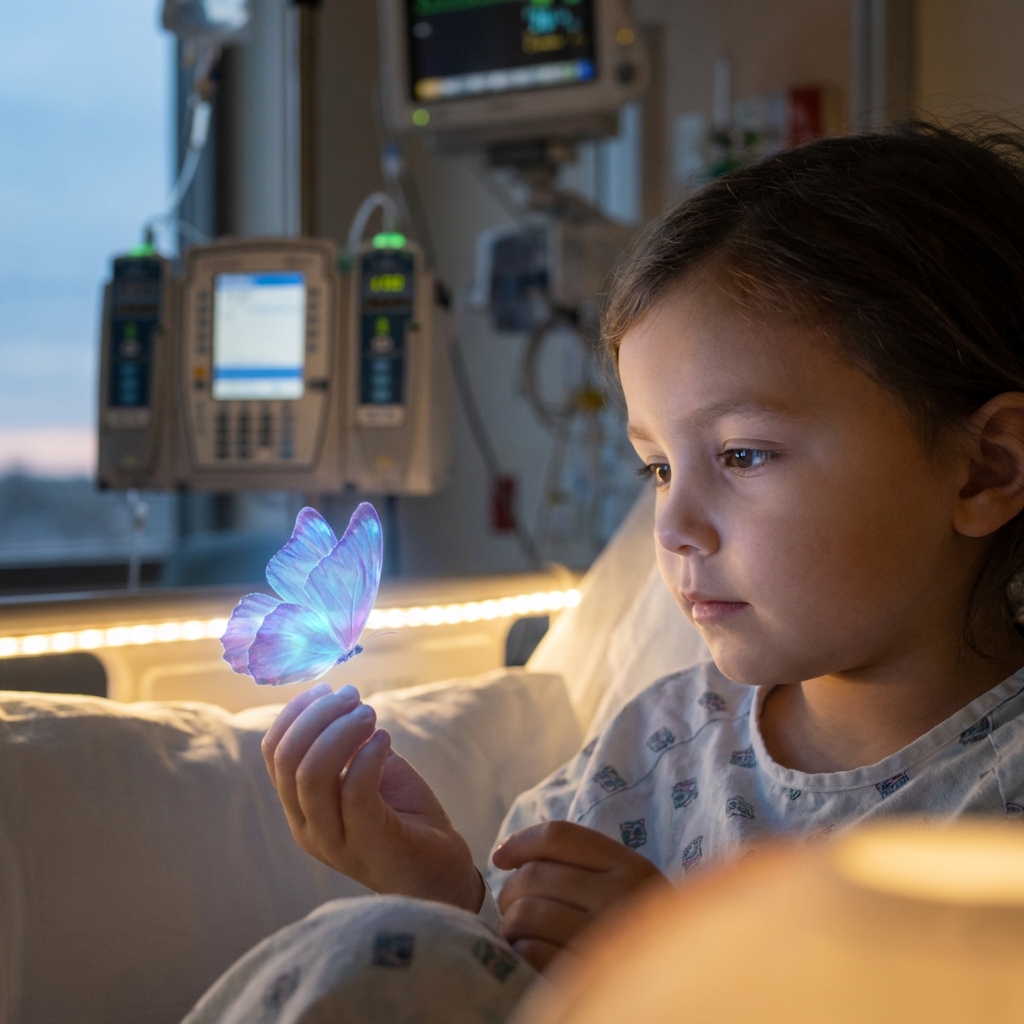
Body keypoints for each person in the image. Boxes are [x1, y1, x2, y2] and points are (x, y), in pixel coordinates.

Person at [258, 121, 1024, 983]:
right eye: (657, 468)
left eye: (742, 455)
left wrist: (682, 967)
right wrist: (446, 898)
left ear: (984, 469)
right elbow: (530, 986)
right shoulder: (654, 746)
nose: (673, 525)